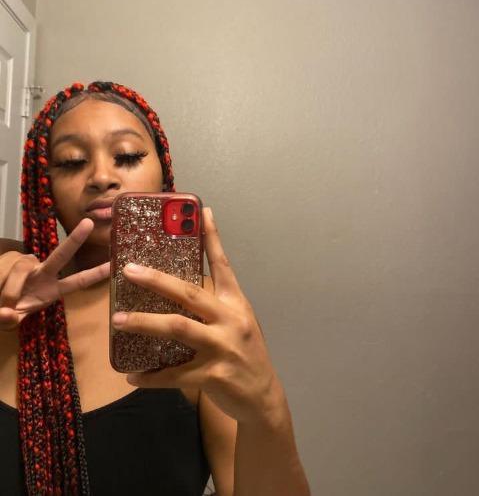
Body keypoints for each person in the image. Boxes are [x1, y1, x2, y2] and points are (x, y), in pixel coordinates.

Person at [0, 81, 310, 496]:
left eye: (127, 156)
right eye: (72, 162)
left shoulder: (206, 315)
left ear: (162, 172)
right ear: (45, 189)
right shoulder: (10, 296)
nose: (102, 177)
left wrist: (267, 407)